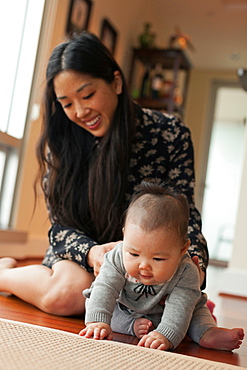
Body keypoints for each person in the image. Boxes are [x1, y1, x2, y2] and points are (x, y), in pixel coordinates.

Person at [0, 32, 208, 316]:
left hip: (145, 261)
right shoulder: (62, 142)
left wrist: (195, 267)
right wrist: (93, 253)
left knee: (176, 309)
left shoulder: (170, 133)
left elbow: (186, 216)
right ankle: (3, 274)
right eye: (67, 103)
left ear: (116, 82)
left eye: (88, 95)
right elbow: (59, 229)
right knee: (67, 296)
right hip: (80, 256)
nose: (81, 111)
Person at [80, 181, 244, 351]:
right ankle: (131, 326)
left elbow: (179, 308)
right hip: (125, 308)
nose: (144, 266)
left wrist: (165, 334)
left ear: (182, 249)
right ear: (125, 236)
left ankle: (207, 333)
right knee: (98, 303)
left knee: (193, 310)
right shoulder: (117, 255)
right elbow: (105, 287)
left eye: (157, 259)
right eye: (134, 254)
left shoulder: (186, 270)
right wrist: (97, 321)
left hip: (170, 313)